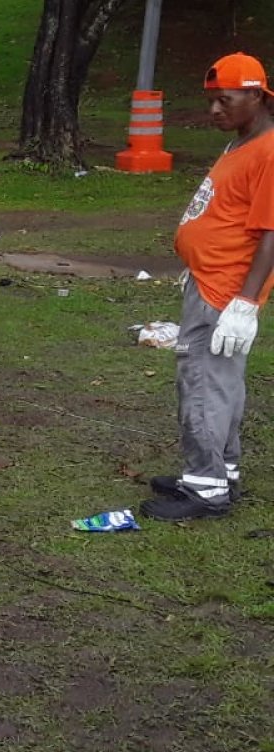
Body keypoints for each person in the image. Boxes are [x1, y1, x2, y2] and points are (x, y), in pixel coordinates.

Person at [142, 52, 274, 521]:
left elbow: (270, 231)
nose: (214, 111)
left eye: (225, 101)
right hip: (210, 277)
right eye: (211, 102)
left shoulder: (268, 151)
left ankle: (206, 488)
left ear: (256, 96)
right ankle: (221, 471)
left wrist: (244, 301)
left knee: (201, 381)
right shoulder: (244, 141)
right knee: (221, 383)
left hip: (224, 290)